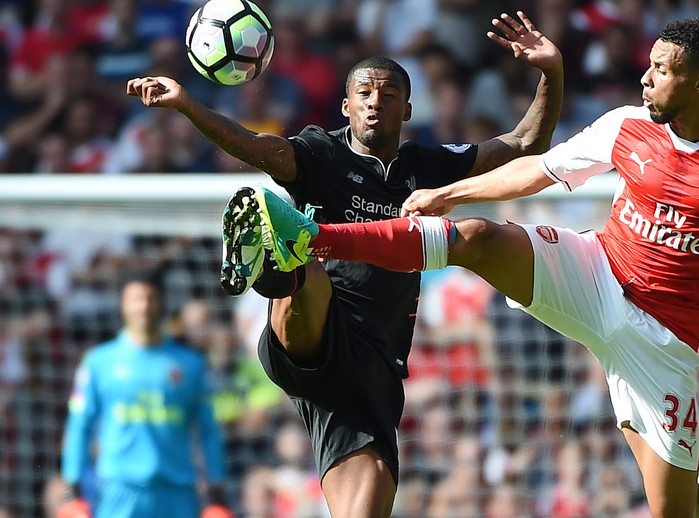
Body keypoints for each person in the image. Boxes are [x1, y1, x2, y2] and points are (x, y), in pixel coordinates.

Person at [233, 18, 699, 518]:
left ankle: (693, 496)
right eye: (648, 64)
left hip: (662, 335)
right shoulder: (626, 125)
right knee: (475, 239)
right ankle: (312, 237)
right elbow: (536, 168)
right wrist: (453, 194)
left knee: (675, 509)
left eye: (662, 69)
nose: (645, 77)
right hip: (595, 273)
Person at [126, 10, 563, 517]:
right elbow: (257, 148)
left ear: (406, 109)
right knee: (310, 264)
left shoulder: (428, 167)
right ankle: (274, 258)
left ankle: (281, 249)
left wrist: (551, 71)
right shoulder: (320, 154)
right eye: (365, 94)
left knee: (374, 490)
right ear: (346, 105)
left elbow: (525, 144)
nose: (376, 103)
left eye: (388, 95)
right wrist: (187, 105)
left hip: (373, 361)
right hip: (315, 330)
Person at [58, 270, 230, 518]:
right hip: (118, 491)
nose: (143, 307)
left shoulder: (190, 364)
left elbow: (208, 429)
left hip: (177, 492)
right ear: (123, 304)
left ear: (162, 302)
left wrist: (217, 489)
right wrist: (72, 487)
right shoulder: (99, 362)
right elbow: (79, 425)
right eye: (135, 299)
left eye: (150, 298)